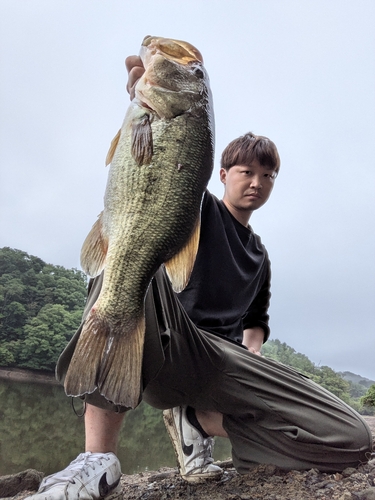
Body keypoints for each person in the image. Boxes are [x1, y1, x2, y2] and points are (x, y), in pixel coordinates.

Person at [26, 57, 373, 500]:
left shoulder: (260, 254)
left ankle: (195, 420)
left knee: (350, 437)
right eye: (247, 172)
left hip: (220, 365)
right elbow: (158, 171)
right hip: (167, 343)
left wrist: (255, 365)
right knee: (134, 263)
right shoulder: (197, 204)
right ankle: (97, 461)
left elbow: (255, 324)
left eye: (268, 175)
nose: (257, 183)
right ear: (223, 175)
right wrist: (142, 104)